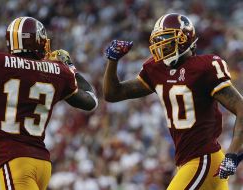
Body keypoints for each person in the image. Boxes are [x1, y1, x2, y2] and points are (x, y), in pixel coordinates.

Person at [103, 13, 243, 189]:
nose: (161, 45)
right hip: (189, 162)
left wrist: (232, 154)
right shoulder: (156, 69)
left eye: (167, 40)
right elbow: (113, 94)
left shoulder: (204, 67)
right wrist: (113, 61)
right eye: (158, 40)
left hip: (204, 160)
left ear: (184, 39)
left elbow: (241, 108)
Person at [0, 16, 98, 190]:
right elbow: (91, 101)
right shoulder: (59, 71)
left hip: (15, 160)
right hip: (42, 164)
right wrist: (70, 67)